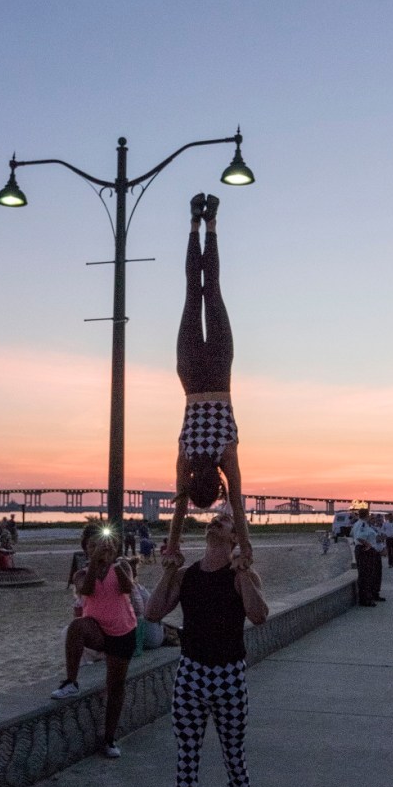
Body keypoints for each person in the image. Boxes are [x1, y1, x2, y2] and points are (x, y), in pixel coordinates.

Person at [146, 511, 268, 787]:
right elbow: (151, 612)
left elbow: (259, 616)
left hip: (229, 676)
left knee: (235, 762)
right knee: (186, 765)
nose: (216, 521)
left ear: (235, 538)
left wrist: (242, 570)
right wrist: (169, 569)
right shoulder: (187, 577)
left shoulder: (241, 577)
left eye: (226, 522)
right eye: (214, 519)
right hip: (191, 675)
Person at [164, 194, 252, 570]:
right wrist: (171, 546)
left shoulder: (225, 455)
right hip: (190, 376)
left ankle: (211, 223)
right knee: (192, 292)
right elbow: (180, 508)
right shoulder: (185, 456)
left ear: (216, 483)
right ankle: (193, 223)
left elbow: (240, 502)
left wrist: (245, 547)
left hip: (218, 372)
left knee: (210, 290)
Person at [51, 525, 137, 758]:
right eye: (92, 546)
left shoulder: (122, 566)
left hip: (122, 633)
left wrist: (112, 564)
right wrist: (95, 564)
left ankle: (109, 739)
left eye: (101, 544)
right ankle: (71, 681)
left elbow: (127, 588)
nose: (98, 549)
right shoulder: (81, 574)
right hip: (97, 631)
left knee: (116, 686)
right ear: (86, 550)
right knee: (76, 627)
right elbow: (86, 590)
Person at [351, 508, 384, 606]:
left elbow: (352, 534)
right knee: (366, 575)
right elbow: (360, 537)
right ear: (367, 515)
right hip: (364, 551)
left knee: (369, 574)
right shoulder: (363, 524)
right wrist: (368, 545)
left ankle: (369, 596)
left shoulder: (359, 524)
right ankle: (365, 599)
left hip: (363, 550)